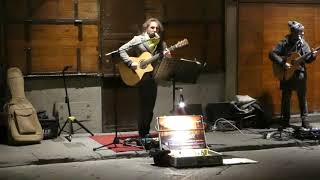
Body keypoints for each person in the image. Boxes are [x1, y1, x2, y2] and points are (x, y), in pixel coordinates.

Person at [119, 18, 171, 139]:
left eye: (157, 28)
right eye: (152, 27)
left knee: (150, 107)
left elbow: (167, 60)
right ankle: (143, 133)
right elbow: (122, 50)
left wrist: (168, 54)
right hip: (141, 76)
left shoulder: (160, 42)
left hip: (153, 76)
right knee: (144, 106)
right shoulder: (138, 40)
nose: (155, 29)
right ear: (146, 28)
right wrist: (130, 63)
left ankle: (145, 132)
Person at [269, 20, 318, 129]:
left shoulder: (303, 44)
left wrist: (313, 55)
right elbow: (272, 54)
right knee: (286, 97)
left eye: (303, 32)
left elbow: (308, 59)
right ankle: (285, 121)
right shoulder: (284, 42)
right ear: (293, 32)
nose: (303, 33)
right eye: (301, 32)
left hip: (299, 74)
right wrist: (282, 62)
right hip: (286, 74)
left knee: (302, 97)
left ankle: (304, 121)